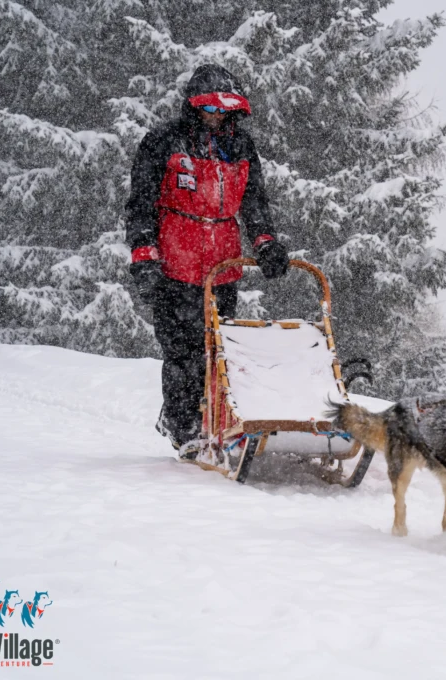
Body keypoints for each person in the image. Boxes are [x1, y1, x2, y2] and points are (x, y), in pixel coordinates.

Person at [125, 64, 290, 451]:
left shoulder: (242, 147)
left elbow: (254, 201)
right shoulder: (164, 141)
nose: (218, 118)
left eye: (225, 111)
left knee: (217, 349)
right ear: (195, 107)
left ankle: (216, 420)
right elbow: (141, 203)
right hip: (173, 264)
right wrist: (144, 256)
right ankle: (182, 426)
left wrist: (265, 242)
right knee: (182, 352)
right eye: (211, 110)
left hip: (222, 267)